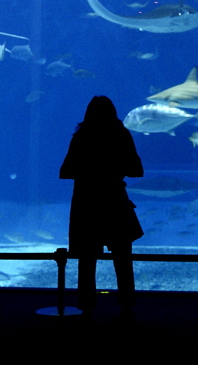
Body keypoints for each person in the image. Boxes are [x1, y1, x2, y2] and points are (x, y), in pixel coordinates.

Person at [60, 96, 144, 316]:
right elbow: (137, 169)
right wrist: (114, 170)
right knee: (123, 258)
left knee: (87, 259)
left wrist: (89, 171)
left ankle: (87, 306)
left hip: (87, 204)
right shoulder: (121, 135)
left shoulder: (81, 136)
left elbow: (65, 171)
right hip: (114, 200)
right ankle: (127, 305)